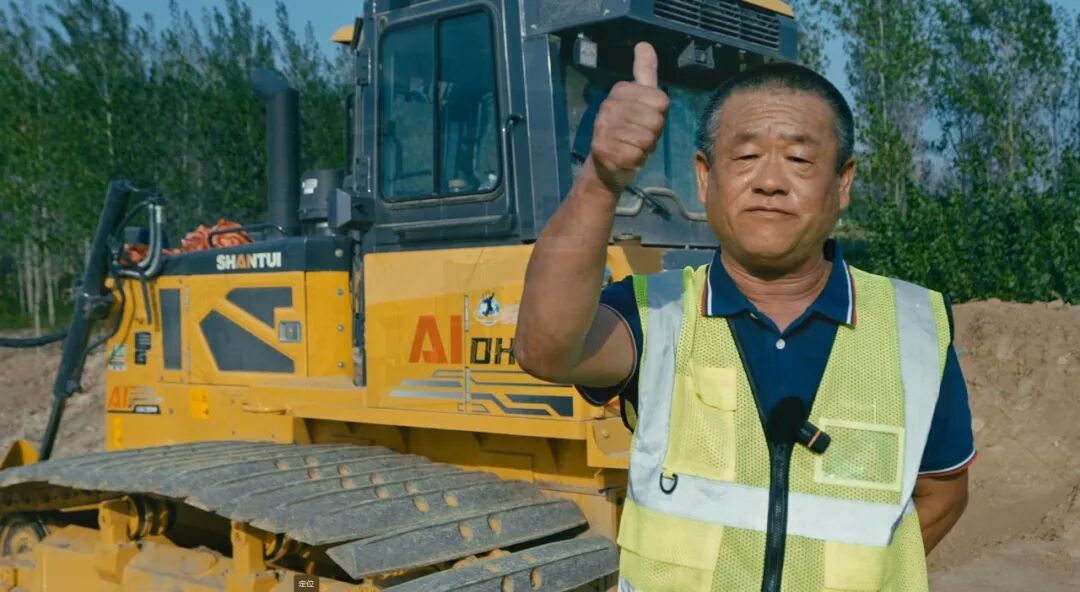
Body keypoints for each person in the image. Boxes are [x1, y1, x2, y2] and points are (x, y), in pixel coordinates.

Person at [514, 42, 975, 591]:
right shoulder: (655, 314)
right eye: (746, 156)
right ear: (705, 178)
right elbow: (544, 349)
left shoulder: (914, 327)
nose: (770, 181)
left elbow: (943, 493)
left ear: (842, 183)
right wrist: (601, 179)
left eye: (799, 160)